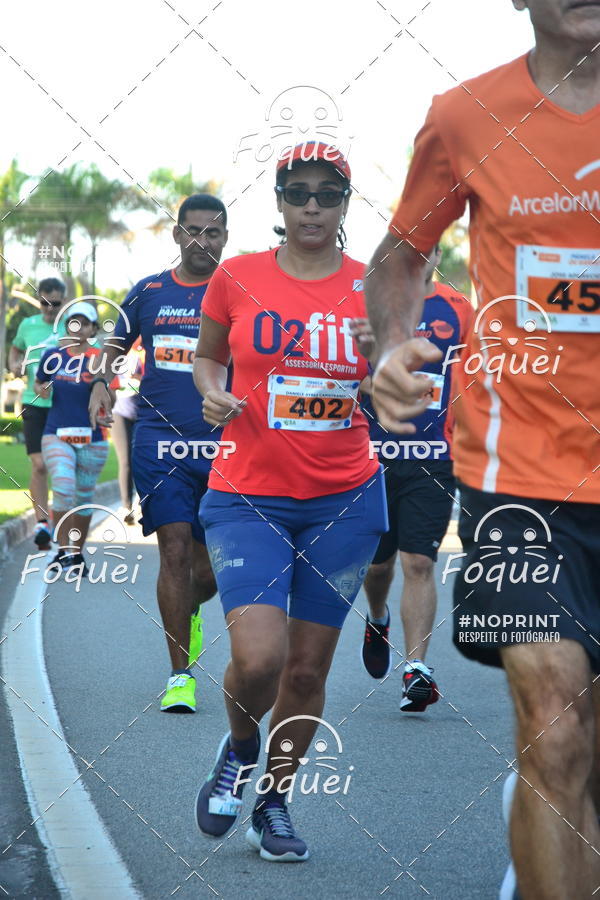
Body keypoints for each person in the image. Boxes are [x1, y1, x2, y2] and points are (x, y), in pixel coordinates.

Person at [365, 3, 600, 898]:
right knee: (556, 726)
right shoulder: (465, 114)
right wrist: (391, 347)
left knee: (591, 761)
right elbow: (398, 257)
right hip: (519, 478)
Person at [193, 142, 388, 862]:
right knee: (260, 658)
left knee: (306, 671)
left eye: (327, 194)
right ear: (278, 201)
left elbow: (394, 373)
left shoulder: (372, 286)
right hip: (249, 497)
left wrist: (394, 372)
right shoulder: (236, 277)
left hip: (345, 499)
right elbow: (210, 357)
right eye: (299, 192)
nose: (312, 205)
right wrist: (212, 391)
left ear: (344, 203)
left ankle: (272, 802)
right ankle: (240, 749)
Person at [88, 194, 228, 714]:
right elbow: (113, 343)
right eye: (193, 231)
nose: (202, 241)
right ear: (177, 236)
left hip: (224, 446)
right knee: (172, 549)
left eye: (212, 233)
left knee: (210, 571)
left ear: (225, 238)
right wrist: (103, 381)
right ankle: (180, 675)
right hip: (159, 442)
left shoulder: (239, 292)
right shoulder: (149, 292)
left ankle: (186, 611)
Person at [357, 245, 473, 711]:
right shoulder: (364, 302)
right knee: (379, 566)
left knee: (419, 562)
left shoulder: (459, 308)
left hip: (434, 456)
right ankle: (378, 617)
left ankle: (417, 669)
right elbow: (344, 374)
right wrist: (381, 381)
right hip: (372, 457)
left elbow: (479, 375)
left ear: (435, 255)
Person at [34, 301, 116, 574]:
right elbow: (39, 381)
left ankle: (76, 555)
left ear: (93, 328)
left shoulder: (99, 359)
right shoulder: (53, 355)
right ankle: (60, 551)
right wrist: (42, 388)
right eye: (73, 322)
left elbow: (110, 394)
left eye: (85, 322)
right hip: (57, 434)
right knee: (64, 488)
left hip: (93, 438)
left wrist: (105, 410)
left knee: (82, 498)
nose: (78, 327)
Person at [9, 277, 66, 549]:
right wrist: (14, 364)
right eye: (44, 303)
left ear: (62, 302)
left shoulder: (72, 326)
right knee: (40, 464)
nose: (49, 309)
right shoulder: (27, 325)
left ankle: (63, 521)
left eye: (55, 304)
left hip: (64, 407)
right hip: (33, 404)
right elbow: (16, 348)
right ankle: (42, 522)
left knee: (62, 466)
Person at [112, 341, 144, 524]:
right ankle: (126, 507)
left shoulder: (142, 356)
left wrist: (138, 378)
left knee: (140, 460)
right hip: (119, 412)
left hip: (141, 413)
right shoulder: (113, 357)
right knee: (125, 461)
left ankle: (142, 504)